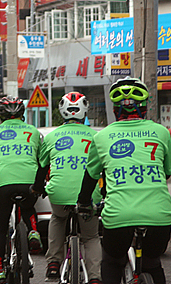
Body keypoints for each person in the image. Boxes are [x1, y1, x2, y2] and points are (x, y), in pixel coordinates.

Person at [77, 77, 171, 284]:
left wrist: (84, 203)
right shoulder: (161, 132)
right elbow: (167, 172)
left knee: (112, 261)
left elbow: (91, 176)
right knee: (152, 262)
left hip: (119, 215)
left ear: (115, 110)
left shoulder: (102, 136)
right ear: (144, 108)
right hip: (160, 216)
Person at [33, 92, 102, 283]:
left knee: (57, 218)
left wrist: (38, 188)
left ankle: (54, 264)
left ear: (62, 112)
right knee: (90, 237)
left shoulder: (51, 136)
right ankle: (95, 277)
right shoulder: (97, 136)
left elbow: (42, 168)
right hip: (89, 196)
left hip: (59, 194)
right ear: (85, 111)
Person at [0, 95, 43, 284]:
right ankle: (33, 232)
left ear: (0, 115)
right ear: (22, 113)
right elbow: (42, 160)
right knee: (28, 206)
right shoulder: (33, 131)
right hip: (29, 180)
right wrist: (40, 183)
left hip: (3, 183)